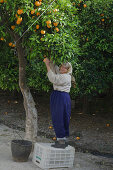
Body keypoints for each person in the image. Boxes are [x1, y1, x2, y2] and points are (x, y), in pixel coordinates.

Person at [43, 58, 75, 149]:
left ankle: (61, 141)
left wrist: (47, 65)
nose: (61, 68)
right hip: (61, 97)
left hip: (60, 97)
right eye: (61, 66)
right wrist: (51, 60)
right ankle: (62, 139)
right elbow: (56, 68)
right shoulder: (63, 73)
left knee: (59, 117)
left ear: (68, 70)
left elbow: (53, 78)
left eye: (64, 68)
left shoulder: (65, 77)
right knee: (62, 117)